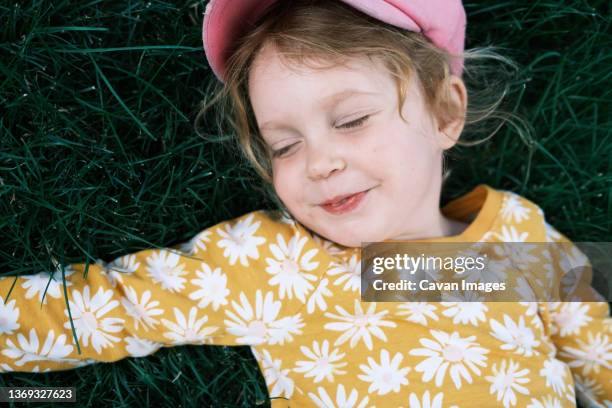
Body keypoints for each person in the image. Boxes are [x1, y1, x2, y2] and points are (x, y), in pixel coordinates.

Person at [1, 0, 610, 406]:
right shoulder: (277, 264)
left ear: (446, 110)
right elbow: (111, 305)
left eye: (350, 120)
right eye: (285, 146)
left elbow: (599, 345)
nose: (319, 162)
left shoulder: (511, 238)